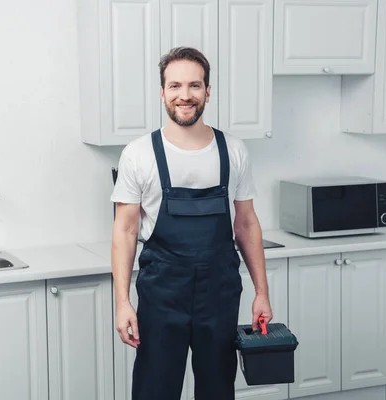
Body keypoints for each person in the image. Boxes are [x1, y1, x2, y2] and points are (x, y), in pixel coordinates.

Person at [110, 46, 273, 400]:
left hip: (220, 292)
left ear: (208, 92)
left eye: (195, 86)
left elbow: (245, 224)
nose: (185, 95)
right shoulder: (138, 154)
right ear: (162, 92)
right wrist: (122, 302)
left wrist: (262, 292)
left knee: (217, 389)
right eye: (175, 86)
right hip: (162, 292)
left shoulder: (234, 150)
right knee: (155, 389)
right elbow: (124, 231)